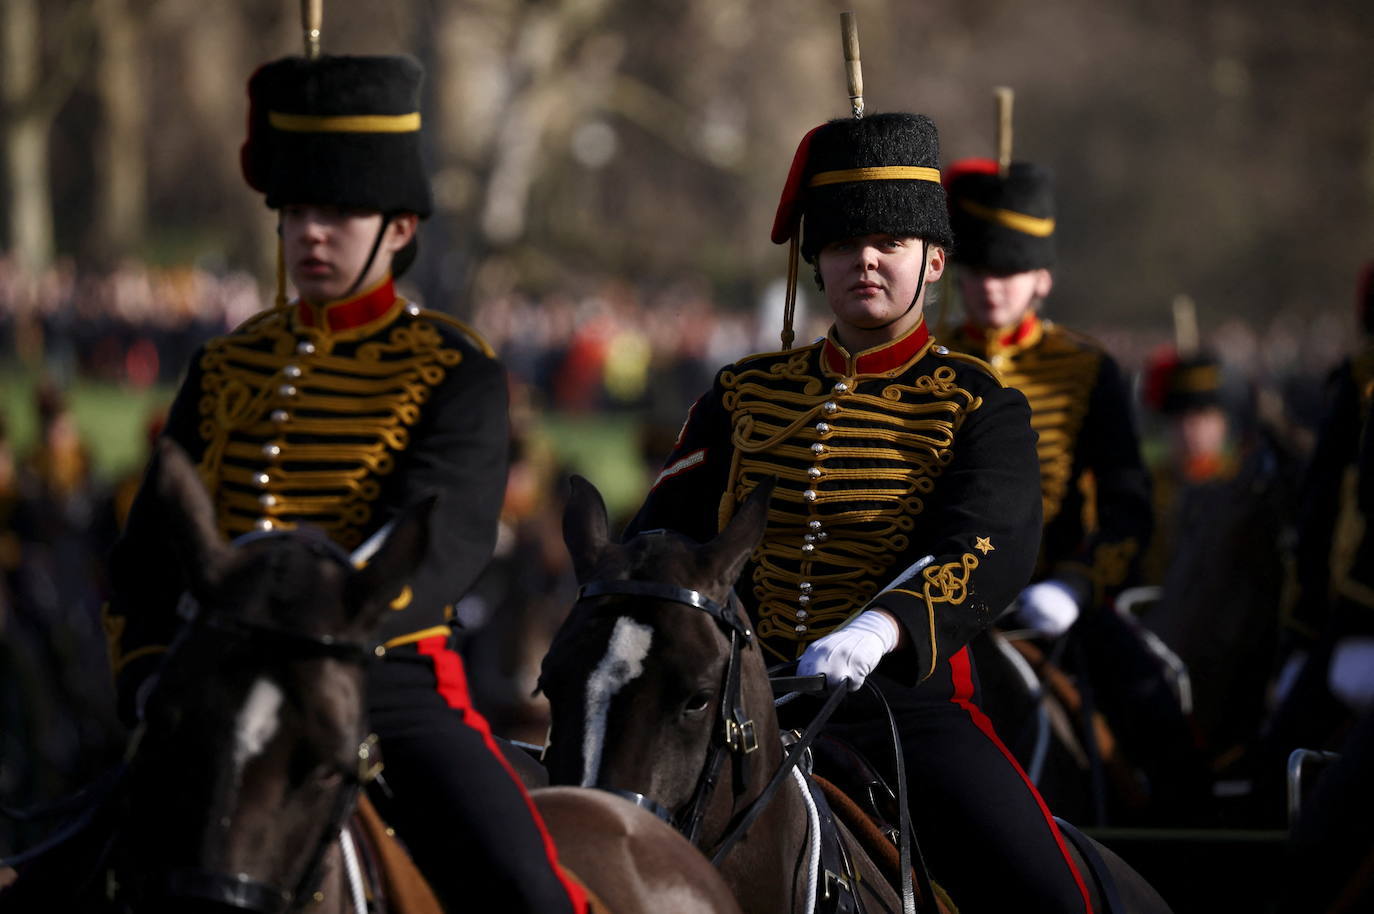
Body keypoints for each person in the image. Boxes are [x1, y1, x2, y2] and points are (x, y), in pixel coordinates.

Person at [104, 53, 586, 913]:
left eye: (338, 213)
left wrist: (315, 628)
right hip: (212, 678)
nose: (311, 234)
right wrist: (148, 676)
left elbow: (445, 541)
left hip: (373, 672)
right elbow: (147, 559)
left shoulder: (454, 370)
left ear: (399, 229)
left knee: (526, 893)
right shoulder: (223, 365)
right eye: (296, 213)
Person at [628, 112, 1095, 912]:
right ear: (816, 264)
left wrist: (882, 629)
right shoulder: (742, 393)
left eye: (891, 243)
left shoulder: (980, 404)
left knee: (1049, 892)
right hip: (737, 703)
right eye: (843, 244)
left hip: (899, 710)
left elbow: (987, 545)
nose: (866, 260)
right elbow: (663, 534)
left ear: (934, 260)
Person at [940, 157, 1210, 823]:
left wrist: (1078, 586)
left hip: (1056, 603)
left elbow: (1127, 503)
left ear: (1042, 278)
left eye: (1007, 271)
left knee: (1161, 721)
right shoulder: (933, 361)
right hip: (938, 606)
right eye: (976, 269)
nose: (990, 287)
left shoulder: (1088, 371)